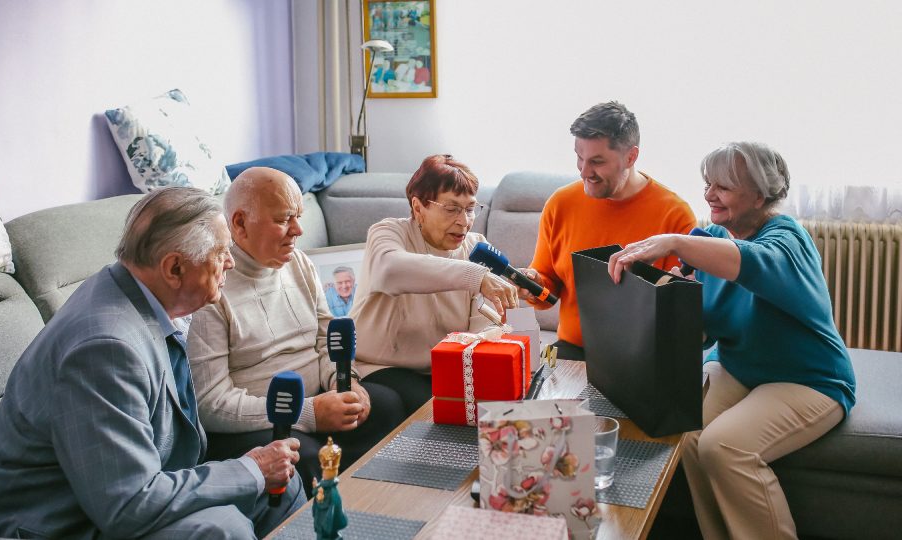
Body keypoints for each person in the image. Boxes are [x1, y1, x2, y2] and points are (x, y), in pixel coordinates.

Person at [0, 187, 304, 539]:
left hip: (114, 495)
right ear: (175, 267)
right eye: (221, 252)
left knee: (281, 488)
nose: (231, 261)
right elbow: (129, 504)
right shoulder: (105, 348)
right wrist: (252, 467)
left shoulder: (137, 291)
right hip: (49, 522)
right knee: (221, 528)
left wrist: (253, 473)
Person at [607, 142, 856, 539]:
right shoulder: (712, 241)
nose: (709, 195)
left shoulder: (787, 238)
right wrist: (661, 296)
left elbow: (752, 262)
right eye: (708, 184)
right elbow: (703, 325)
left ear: (759, 194)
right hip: (741, 366)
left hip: (808, 378)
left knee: (723, 446)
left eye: (723, 186)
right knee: (687, 436)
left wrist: (675, 241)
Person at [187, 167, 404, 496]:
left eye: (299, 217)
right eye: (284, 219)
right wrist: (311, 414)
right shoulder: (211, 288)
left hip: (317, 400)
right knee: (303, 456)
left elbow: (325, 337)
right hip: (260, 421)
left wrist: (343, 382)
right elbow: (211, 403)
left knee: (387, 405)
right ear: (240, 223)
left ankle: (370, 503)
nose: (298, 230)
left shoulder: (299, 264)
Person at [520, 101, 696, 360]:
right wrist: (532, 285)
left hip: (642, 356)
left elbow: (679, 314)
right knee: (528, 394)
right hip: (569, 348)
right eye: (579, 158)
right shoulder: (560, 203)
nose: (583, 171)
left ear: (631, 157)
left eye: (597, 162)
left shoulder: (675, 215)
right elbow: (548, 292)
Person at [349, 154, 519, 414]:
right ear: (418, 208)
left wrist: (499, 313)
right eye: (451, 209)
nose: (464, 221)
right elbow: (391, 270)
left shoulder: (475, 247)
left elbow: (481, 330)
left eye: (470, 208)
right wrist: (478, 276)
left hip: (446, 368)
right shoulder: (388, 233)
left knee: (495, 402)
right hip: (380, 365)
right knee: (437, 406)